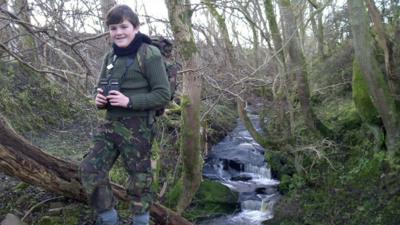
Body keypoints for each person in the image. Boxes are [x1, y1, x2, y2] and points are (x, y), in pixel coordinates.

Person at [79, 4, 170, 225]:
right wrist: (98, 99)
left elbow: (163, 94)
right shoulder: (110, 56)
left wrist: (130, 101)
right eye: (113, 28)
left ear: (135, 28)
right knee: (90, 169)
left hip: (138, 126)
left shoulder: (150, 54)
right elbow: (99, 87)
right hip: (110, 124)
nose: (118, 32)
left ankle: (141, 221)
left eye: (123, 26)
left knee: (139, 179)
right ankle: (109, 218)